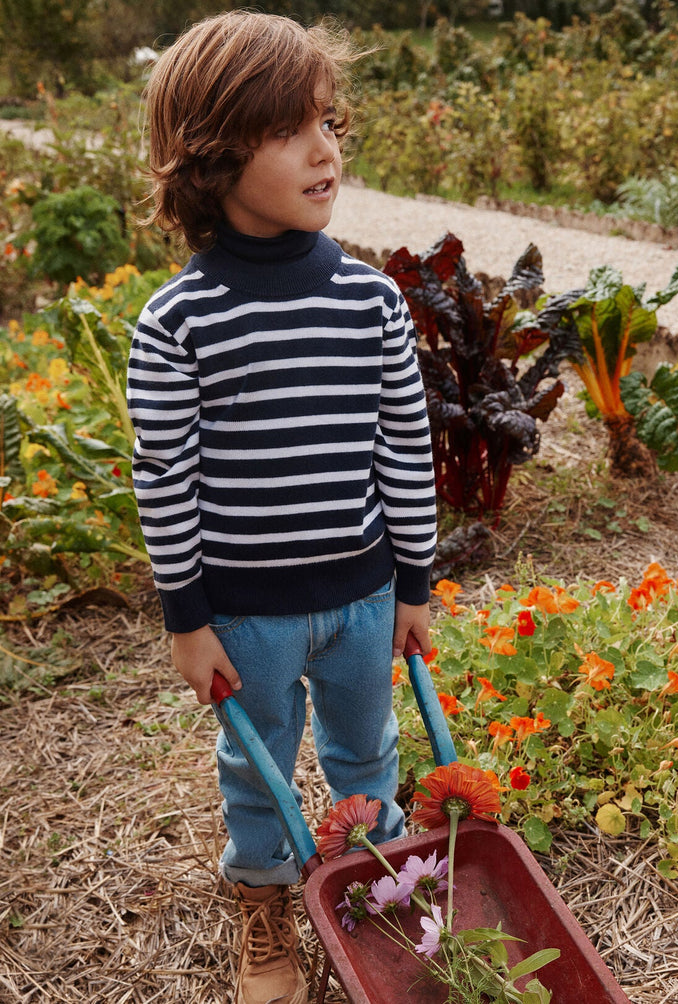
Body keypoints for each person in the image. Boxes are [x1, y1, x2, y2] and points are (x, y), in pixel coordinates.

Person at [127, 12, 437, 1004]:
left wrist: (415, 580)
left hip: (360, 594)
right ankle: (263, 894)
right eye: (284, 130)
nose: (323, 149)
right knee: (255, 761)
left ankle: (379, 877)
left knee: (367, 748)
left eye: (326, 121)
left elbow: (402, 446)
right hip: (246, 613)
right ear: (209, 161)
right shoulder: (178, 321)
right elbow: (165, 474)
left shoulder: (370, 300)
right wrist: (187, 619)